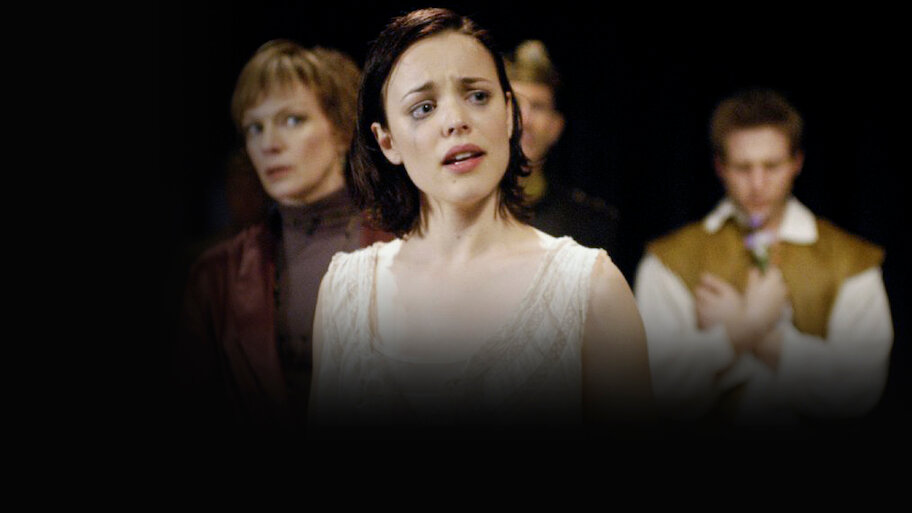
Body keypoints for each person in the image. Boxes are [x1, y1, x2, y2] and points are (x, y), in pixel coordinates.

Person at [308, 8, 653, 435]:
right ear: (387, 140)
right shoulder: (345, 292)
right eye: (424, 107)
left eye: (477, 96)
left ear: (509, 113)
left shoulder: (588, 289)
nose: (456, 121)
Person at [634, 89, 893, 430]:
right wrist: (744, 328)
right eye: (743, 168)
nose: (757, 184)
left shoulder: (849, 260)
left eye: (772, 166)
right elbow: (658, 389)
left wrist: (758, 335)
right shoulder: (671, 259)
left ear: (797, 162)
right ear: (720, 167)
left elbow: (858, 388)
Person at [175, 40, 390, 433]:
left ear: (342, 129)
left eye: (292, 120)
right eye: (255, 128)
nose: (269, 144)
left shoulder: (407, 244)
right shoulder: (216, 276)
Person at [505, 40, 619, 255]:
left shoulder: (590, 222)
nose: (525, 120)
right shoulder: (464, 211)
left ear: (556, 128)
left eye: (538, 107)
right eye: (515, 105)